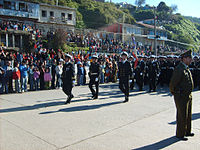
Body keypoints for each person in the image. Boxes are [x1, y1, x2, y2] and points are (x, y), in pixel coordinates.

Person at [169, 50, 194, 141]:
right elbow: (173, 83)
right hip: (181, 96)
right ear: (184, 59)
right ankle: (180, 134)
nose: (191, 60)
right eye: (189, 58)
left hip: (188, 95)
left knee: (188, 114)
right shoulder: (179, 69)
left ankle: (187, 131)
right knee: (182, 115)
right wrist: (175, 93)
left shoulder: (185, 67)